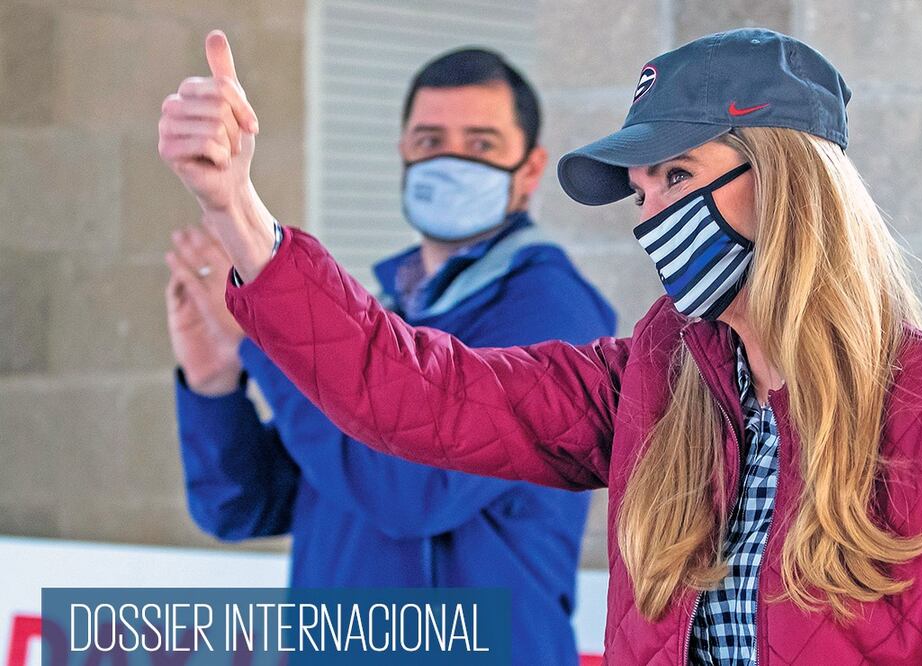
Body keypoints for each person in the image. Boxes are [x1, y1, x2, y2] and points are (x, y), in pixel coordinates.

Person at [159, 27, 922, 665]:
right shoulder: (651, 381)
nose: (653, 213)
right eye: (642, 188)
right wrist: (239, 212)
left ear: (791, 182)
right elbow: (421, 396)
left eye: (679, 173)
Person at [161, 45, 616, 666]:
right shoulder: (384, 317)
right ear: (403, 151)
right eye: (429, 140)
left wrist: (263, 338)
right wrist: (214, 383)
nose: (451, 160)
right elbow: (244, 504)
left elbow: (407, 491)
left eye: (481, 144)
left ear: (530, 170)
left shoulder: (549, 311)